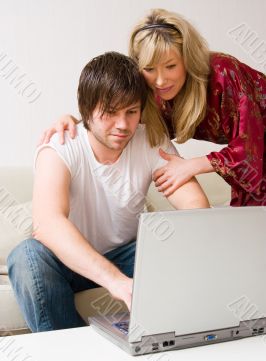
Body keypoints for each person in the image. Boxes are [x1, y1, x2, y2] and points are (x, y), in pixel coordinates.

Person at [7, 52, 209, 332]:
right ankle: (71, 348)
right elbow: (48, 225)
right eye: (110, 112)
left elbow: (195, 208)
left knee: (175, 240)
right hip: (67, 262)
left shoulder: (150, 140)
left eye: (131, 111)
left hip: (126, 255)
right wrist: (115, 282)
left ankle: (175, 336)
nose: (123, 125)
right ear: (87, 110)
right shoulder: (61, 146)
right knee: (25, 256)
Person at [42, 9, 266, 206]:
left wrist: (193, 165)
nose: (160, 81)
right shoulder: (151, 95)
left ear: (187, 59)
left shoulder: (223, 72)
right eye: (149, 68)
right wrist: (76, 121)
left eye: (170, 66)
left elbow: (251, 146)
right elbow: (118, 122)